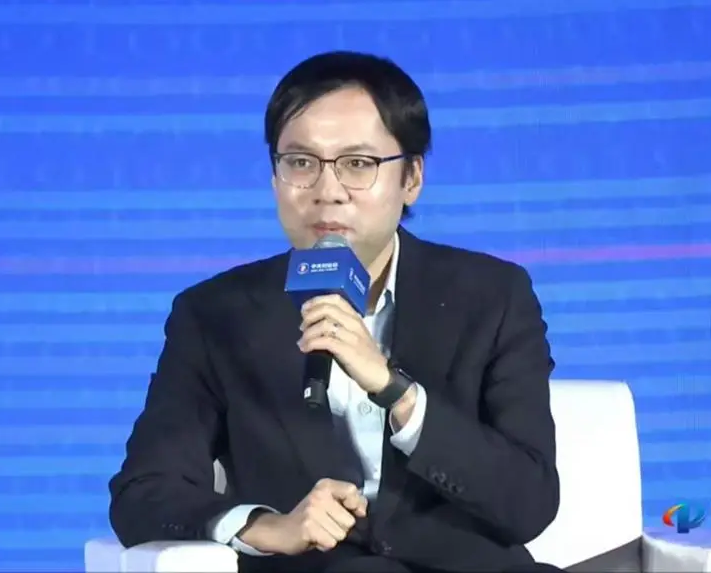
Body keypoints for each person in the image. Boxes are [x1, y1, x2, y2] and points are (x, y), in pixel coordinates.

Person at [108, 51, 563, 573]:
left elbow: (528, 501)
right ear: (275, 176)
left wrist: (395, 390)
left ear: (411, 177)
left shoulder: (492, 295)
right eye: (301, 163)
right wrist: (266, 527)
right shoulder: (215, 315)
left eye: (358, 164)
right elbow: (143, 493)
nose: (327, 192)